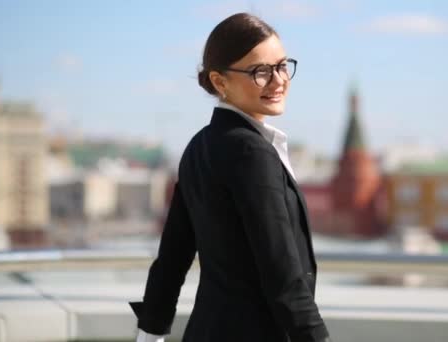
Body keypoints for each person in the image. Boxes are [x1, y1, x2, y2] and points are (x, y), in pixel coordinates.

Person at [129, 12, 332, 342]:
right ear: (220, 82)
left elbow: (172, 258)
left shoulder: (199, 146)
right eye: (260, 72)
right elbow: (282, 273)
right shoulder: (252, 153)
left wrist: (149, 333)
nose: (279, 80)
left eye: (282, 65)